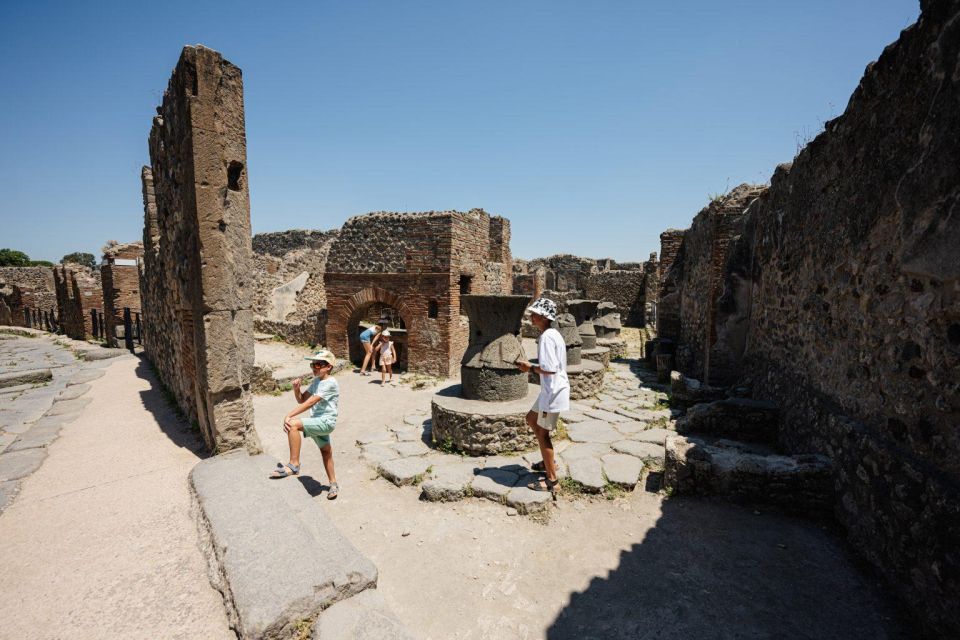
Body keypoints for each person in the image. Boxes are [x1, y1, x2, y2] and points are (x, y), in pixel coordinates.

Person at [270, 348, 341, 500]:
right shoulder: (317, 382)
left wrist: (289, 415)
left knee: (293, 424)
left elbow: (310, 403)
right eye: (313, 365)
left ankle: (293, 464)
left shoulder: (330, 383)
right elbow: (302, 399)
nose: (314, 368)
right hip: (317, 421)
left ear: (328, 366)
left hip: (325, 422)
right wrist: (297, 389)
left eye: (318, 365)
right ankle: (333, 483)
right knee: (326, 452)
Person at [516, 297, 569, 494]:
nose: (531, 316)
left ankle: (552, 481)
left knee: (542, 433)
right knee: (531, 419)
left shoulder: (547, 337)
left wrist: (528, 367)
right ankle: (549, 461)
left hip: (553, 393)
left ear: (544, 317)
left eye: (535, 313)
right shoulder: (552, 333)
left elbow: (550, 369)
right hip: (550, 391)